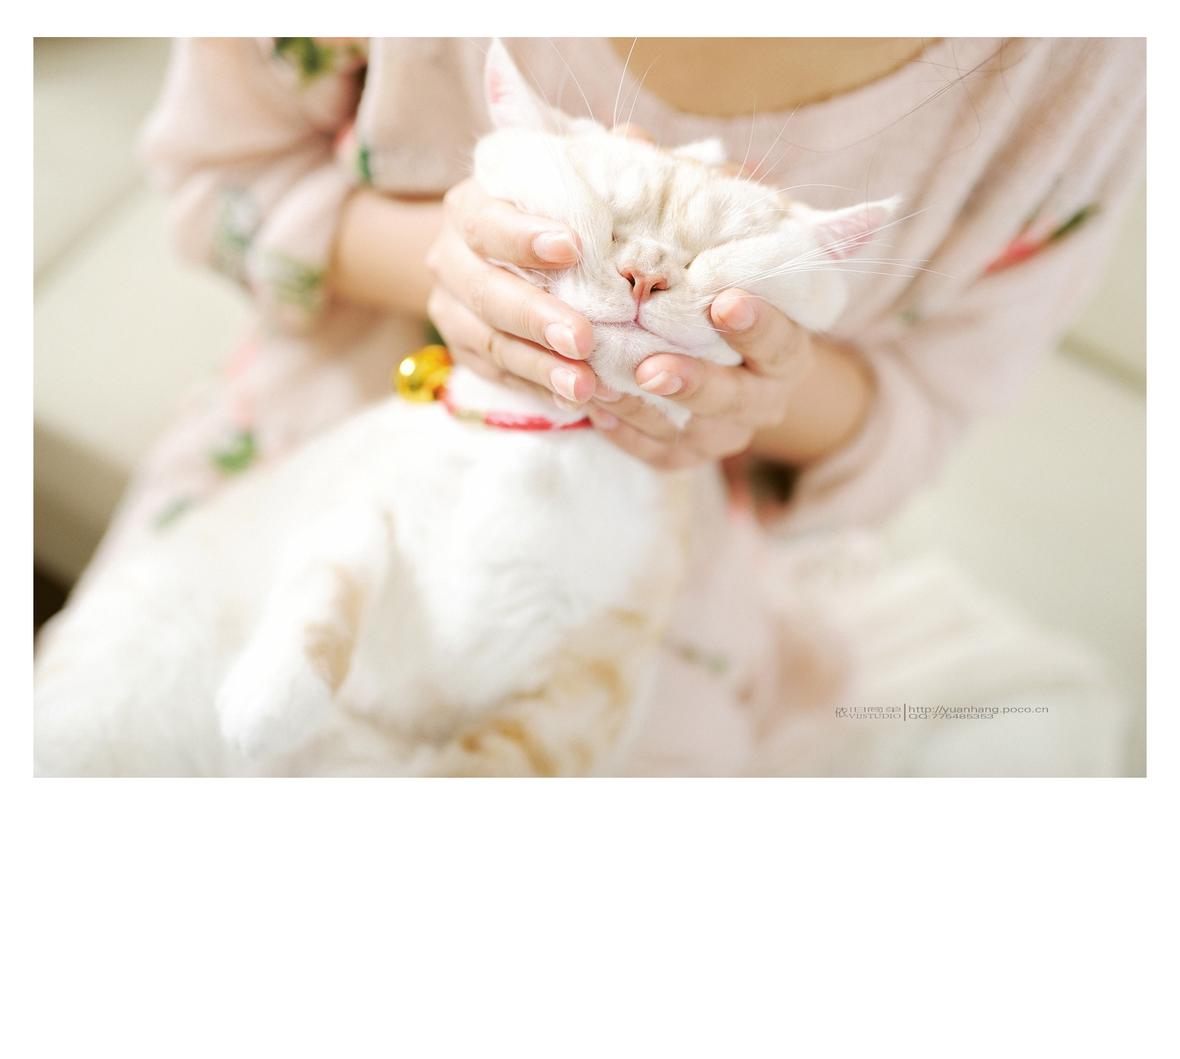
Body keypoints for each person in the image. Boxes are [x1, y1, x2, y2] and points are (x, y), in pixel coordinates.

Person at [83, 37, 1146, 774]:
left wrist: (757, 386)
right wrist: (446, 263)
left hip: (663, 575)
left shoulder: (1081, 73)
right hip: (311, 441)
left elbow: (927, 409)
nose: (641, 279)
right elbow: (214, 184)